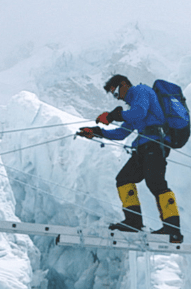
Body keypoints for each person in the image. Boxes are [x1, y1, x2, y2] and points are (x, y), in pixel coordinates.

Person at [77, 74, 182, 243]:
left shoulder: (141, 91)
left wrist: (114, 116)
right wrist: (97, 132)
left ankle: (173, 229)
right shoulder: (133, 107)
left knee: (156, 184)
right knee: (124, 179)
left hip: (155, 145)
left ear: (124, 84)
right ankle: (133, 222)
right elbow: (122, 133)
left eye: (116, 92)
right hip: (143, 148)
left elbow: (138, 113)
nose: (117, 96)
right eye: (114, 95)